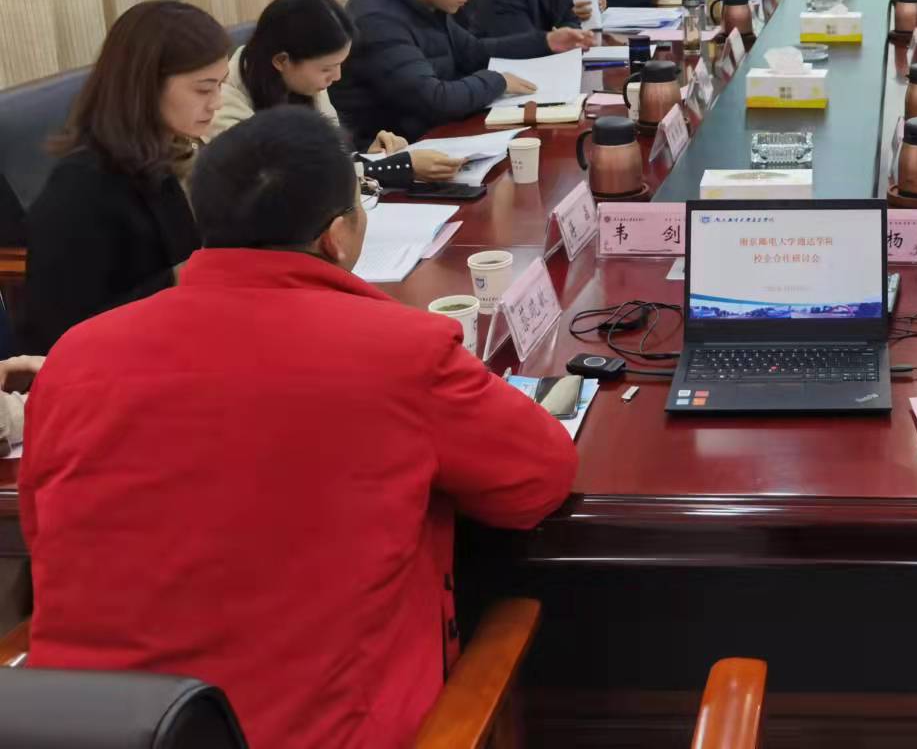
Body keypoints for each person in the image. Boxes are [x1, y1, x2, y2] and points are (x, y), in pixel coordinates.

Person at [21, 107, 578, 749]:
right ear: (337, 236)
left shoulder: (76, 355)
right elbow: (537, 480)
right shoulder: (399, 352)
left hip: (84, 729)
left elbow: (41, 531)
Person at [22, 0, 229, 352]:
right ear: (146, 85)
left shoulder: (177, 151)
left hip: (184, 337)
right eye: (203, 89)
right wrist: (182, 278)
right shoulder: (81, 190)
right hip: (116, 365)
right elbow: (64, 332)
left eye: (221, 86)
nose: (217, 103)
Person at [332, 0, 567, 143]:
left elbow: (475, 52)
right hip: (403, 152)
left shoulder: (424, 3)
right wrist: (498, 81)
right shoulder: (376, 18)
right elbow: (435, 100)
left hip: (443, 135)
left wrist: (545, 42)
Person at [207, 0, 458, 187]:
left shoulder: (304, 82)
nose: (336, 77)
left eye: (339, 65)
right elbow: (286, 183)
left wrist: (370, 155)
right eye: (327, 69)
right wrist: (396, 167)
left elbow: (330, 158)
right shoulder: (223, 105)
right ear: (282, 61)